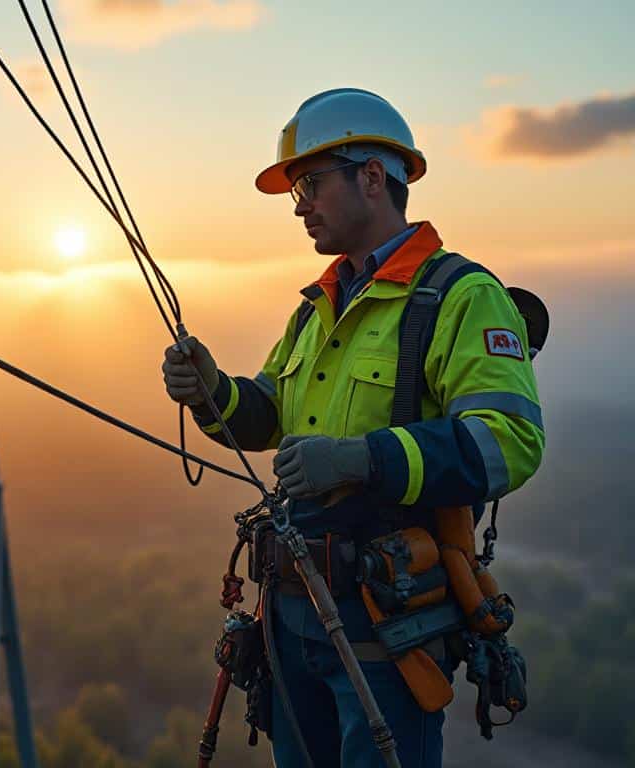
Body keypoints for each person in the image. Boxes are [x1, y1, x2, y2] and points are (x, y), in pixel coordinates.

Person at [161, 88, 545, 767]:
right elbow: (271, 412)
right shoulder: (320, 306)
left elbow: (509, 441)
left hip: (386, 629)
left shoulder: (458, 296)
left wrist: (364, 459)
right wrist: (212, 391)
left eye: (309, 183)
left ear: (373, 176)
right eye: (294, 192)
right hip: (291, 620)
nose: (299, 205)